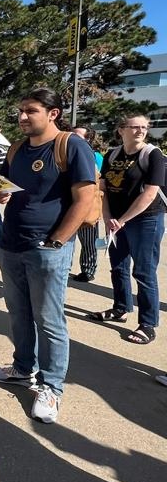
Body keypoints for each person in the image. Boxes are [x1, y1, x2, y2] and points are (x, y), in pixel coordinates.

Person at [0, 88, 97, 424]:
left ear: (53, 113)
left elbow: (85, 199)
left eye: (30, 111)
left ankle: (52, 387)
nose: (22, 117)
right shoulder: (17, 149)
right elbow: (5, 184)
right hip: (12, 243)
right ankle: (23, 369)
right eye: (20, 110)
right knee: (18, 312)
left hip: (47, 248)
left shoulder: (71, 145)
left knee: (49, 320)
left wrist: (59, 241)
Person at [87, 115, 165, 345]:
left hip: (146, 219)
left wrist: (122, 219)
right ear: (121, 130)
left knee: (144, 271)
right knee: (118, 267)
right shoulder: (113, 154)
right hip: (117, 220)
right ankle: (121, 308)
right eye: (135, 127)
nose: (141, 130)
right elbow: (105, 190)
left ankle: (148, 323)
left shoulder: (153, 154)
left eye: (144, 127)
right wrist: (109, 217)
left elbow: (150, 193)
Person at [70, 124, 104, 282]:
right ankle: (64, 267)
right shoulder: (65, 153)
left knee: (89, 241)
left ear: (88, 139)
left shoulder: (95, 156)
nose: (73, 137)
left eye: (77, 135)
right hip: (67, 205)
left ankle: (88, 269)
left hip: (88, 206)